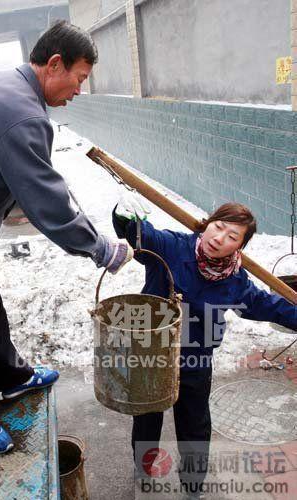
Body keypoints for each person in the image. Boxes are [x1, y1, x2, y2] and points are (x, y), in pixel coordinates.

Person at [0, 21, 133, 454]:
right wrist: (101, 248)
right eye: (78, 79)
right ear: (54, 64)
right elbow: (47, 202)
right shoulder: (22, 113)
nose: (77, 92)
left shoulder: (5, 86)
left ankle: (12, 376)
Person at [112, 193, 297, 499]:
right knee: (146, 419)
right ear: (208, 223)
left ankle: (193, 484)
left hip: (195, 360)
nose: (220, 238)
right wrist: (123, 217)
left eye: (232, 236)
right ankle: (144, 470)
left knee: (194, 425)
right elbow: (142, 237)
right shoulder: (174, 247)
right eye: (219, 226)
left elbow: (267, 305)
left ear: (239, 247)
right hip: (151, 354)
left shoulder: (235, 280)